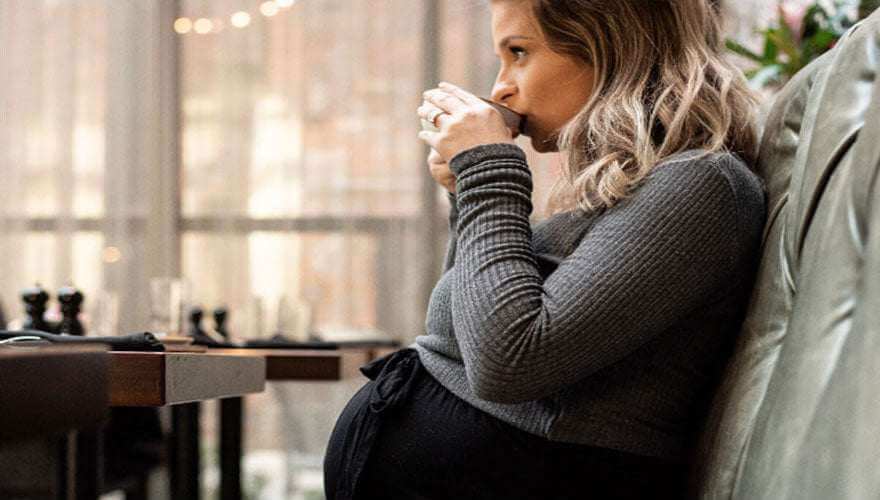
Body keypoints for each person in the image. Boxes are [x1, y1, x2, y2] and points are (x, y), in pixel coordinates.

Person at [324, 0, 766, 498]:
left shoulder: (701, 183)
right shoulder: (625, 192)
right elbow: (463, 340)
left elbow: (508, 361)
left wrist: (489, 174)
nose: (500, 88)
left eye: (519, 52)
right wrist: (469, 194)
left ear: (609, 44)